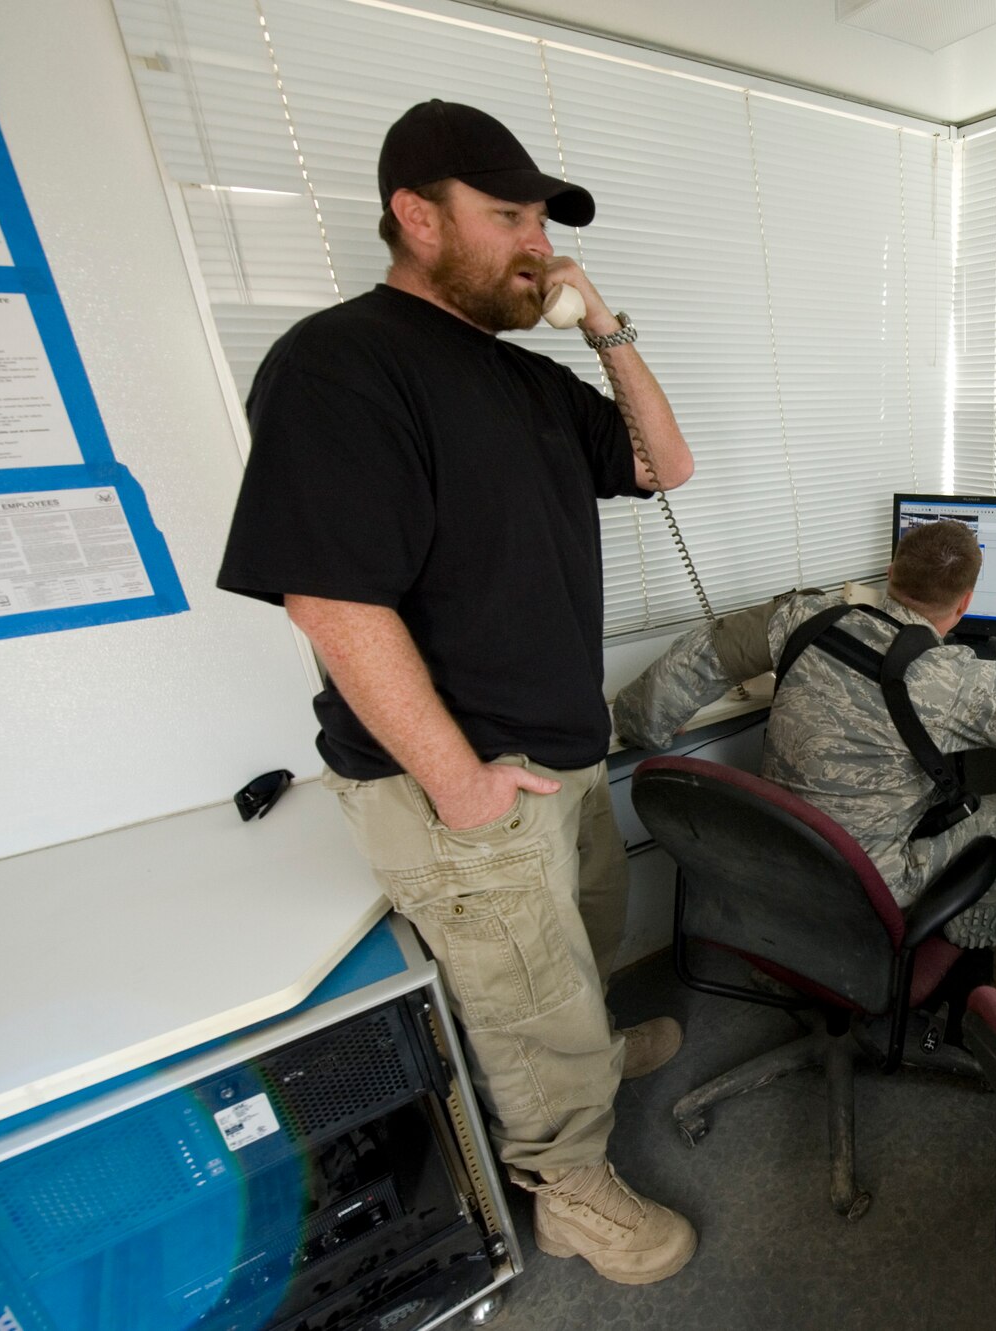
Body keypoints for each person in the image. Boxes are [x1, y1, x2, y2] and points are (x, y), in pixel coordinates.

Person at [218, 100, 700, 1286]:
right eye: (505, 216)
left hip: (559, 748)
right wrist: (459, 782)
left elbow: (662, 466)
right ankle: (571, 1187)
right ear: (415, 217)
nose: (533, 241)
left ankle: (582, 1061)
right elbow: (331, 600)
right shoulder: (338, 363)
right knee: (528, 1002)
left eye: (541, 217)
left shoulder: (523, 379)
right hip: (459, 782)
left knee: (573, 947)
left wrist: (604, 328)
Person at [613, 520, 996, 995]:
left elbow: (699, 657)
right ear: (965, 603)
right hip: (870, 882)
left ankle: (801, 946)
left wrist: (646, 723)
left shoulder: (804, 616)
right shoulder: (952, 679)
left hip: (774, 851)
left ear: (891, 573)